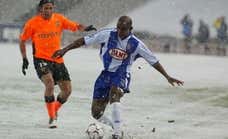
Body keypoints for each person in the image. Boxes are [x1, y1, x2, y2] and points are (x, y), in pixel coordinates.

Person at [52, 16, 184, 139]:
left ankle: (117, 134)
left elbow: (153, 61)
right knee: (96, 113)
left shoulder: (136, 44)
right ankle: (116, 127)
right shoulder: (107, 34)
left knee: (114, 94)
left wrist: (167, 76)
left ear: (130, 29)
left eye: (124, 29)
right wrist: (65, 50)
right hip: (105, 74)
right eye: (118, 28)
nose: (120, 31)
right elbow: (83, 41)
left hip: (121, 74)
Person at [19, 0, 96, 128]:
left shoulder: (59, 19)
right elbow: (22, 41)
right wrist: (24, 58)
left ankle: (53, 109)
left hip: (57, 59)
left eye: (50, 8)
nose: (48, 11)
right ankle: (52, 117)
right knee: (49, 84)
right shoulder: (32, 23)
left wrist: (85, 28)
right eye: (46, 8)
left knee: (67, 91)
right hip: (41, 59)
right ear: (40, 9)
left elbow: (75, 26)